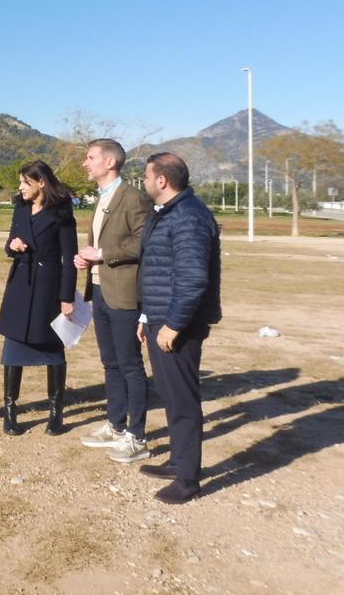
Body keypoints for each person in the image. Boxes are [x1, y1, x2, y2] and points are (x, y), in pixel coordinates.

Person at [135, 152, 221, 504]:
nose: (143, 181)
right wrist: (147, 317)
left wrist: (173, 324)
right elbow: (157, 270)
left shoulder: (189, 216)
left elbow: (192, 277)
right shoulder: (169, 212)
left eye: (146, 176)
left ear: (162, 180)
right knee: (171, 395)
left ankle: (188, 480)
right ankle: (178, 461)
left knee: (183, 399)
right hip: (161, 318)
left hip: (179, 325)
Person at [74, 139, 154, 464]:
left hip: (123, 294)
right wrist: (87, 259)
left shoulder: (133, 197)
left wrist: (102, 254)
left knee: (130, 365)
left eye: (90, 157)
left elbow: (143, 242)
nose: (85, 163)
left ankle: (137, 436)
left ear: (110, 162)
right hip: (100, 291)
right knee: (110, 364)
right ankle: (116, 425)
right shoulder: (102, 197)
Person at [0, 160, 77, 435]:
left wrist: (67, 297)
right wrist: (13, 246)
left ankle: (56, 412)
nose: (20, 187)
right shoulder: (20, 208)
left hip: (48, 288)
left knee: (53, 348)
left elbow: (70, 258)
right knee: (13, 348)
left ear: (41, 182)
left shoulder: (62, 212)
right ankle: (10, 411)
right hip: (20, 284)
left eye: (25, 182)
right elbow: (9, 244)